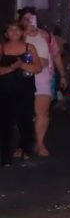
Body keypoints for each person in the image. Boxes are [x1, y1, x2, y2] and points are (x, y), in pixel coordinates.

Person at [18, 8, 65, 157]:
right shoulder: (17, 35)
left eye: (31, 18)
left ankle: (40, 143)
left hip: (44, 77)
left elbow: (56, 56)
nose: (28, 21)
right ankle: (24, 144)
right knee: (23, 113)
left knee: (42, 112)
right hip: (23, 77)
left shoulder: (46, 35)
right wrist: (24, 35)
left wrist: (63, 74)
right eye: (25, 18)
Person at [0, 22, 42, 165]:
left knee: (25, 122)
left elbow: (37, 68)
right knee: (5, 123)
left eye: (16, 29)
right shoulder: (2, 48)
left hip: (25, 90)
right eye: (10, 29)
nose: (13, 32)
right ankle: (5, 155)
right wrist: (12, 68)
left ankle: (25, 149)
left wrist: (22, 65)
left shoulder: (29, 47)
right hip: (5, 90)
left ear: (22, 32)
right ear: (6, 33)